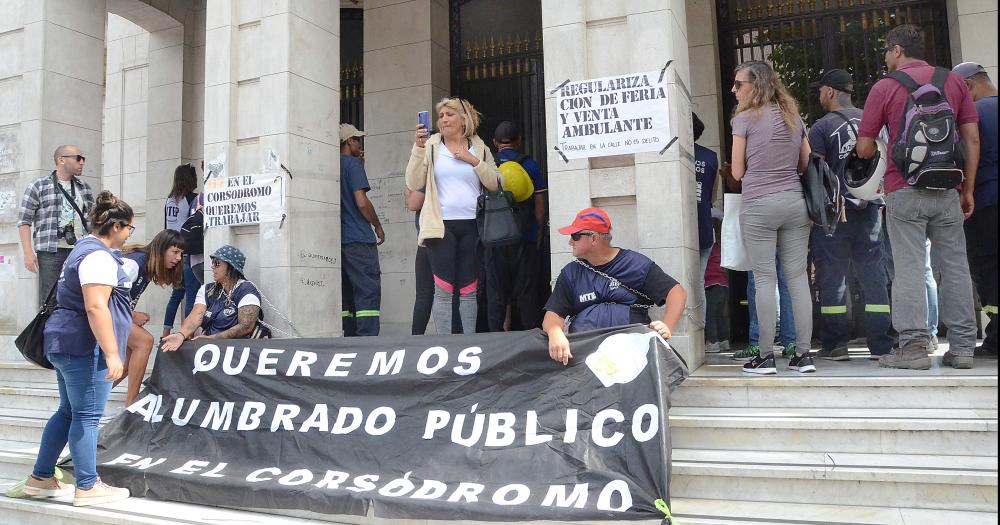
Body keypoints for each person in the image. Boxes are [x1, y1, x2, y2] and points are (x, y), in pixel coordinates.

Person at [857, 24, 980, 370]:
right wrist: (967, 188)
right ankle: (963, 348)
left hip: (904, 189)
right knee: (955, 267)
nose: (885, 57)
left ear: (897, 50)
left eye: (886, 50)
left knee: (909, 267)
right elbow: (971, 138)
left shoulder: (885, 87)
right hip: (948, 189)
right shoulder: (953, 82)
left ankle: (912, 348)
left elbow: (865, 147)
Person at [24, 190, 134, 506]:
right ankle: (87, 485)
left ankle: (41, 478)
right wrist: (113, 353)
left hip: (66, 343)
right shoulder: (98, 256)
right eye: (129, 228)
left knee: (69, 411)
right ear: (116, 227)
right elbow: (96, 308)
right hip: (83, 347)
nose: (128, 235)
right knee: (86, 414)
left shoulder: (81, 250)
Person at [729, 60, 815, 375]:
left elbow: (737, 172)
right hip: (795, 203)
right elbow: (807, 163)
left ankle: (765, 356)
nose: (734, 89)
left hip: (759, 205)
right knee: (797, 278)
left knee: (765, 279)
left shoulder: (744, 119)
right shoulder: (794, 117)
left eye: (739, 84)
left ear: (756, 85)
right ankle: (803, 356)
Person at [807, 68, 894, 361]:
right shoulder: (874, 123)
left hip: (834, 215)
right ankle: (881, 345)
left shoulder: (821, 128)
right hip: (870, 210)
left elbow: (814, 174)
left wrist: (814, 212)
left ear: (830, 92)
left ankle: (835, 345)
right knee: (873, 275)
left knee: (833, 278)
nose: (820, 95)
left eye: (821, 91)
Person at [405, 97, 501, 334]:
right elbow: (413, 181)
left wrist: (473, 161)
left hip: (472, 226)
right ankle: (444, 344)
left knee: (469, 291)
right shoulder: (431, 145)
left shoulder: (479, 146)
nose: (444, 119)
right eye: (441, 116)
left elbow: (496, 183)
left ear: (464, 119)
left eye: (450, 114)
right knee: (444, 290)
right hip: (441, 227)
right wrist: (417, 148)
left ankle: (468, 343)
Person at [542, 208, 686, 365]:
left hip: (631, 357)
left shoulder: (635, 264)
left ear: (594, 239)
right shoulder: (571, 273)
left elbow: (676, 292)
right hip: (586, 358)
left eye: (575, 236)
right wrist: (555, 332)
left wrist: (667, 326)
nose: (570, 242)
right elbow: (553, 315)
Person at [484, 121, 547, 331]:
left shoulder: (489, 166)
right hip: (524, 238)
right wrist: (537, 233)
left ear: (494, 143)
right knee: (527, 293)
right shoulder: (530, 165)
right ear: (519, 140)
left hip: (494, 239)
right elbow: (539, 205)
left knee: (496, 294)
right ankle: (529, 339)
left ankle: (495, 341)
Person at [954, 61, 997, 358]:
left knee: (989, 269)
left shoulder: (975, 115)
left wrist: (965, 191)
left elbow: (968, 153)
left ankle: (996, 337)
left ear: (967, 86)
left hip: (986, 203)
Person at [17, 145, 95, 306]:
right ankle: (48, 331)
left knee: (80, 296)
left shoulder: (84, 188)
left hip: (79, 250)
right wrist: (28, 253)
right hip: (50, 250)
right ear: (61, 160)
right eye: (78, 158)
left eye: (83, 159)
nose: (82, 163)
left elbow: (92, 221)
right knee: (50, 300)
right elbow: (24, 221)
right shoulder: (38, 186)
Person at [118, 230, 185, 406]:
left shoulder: (145, 265)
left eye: (181, 254)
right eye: (175, 252)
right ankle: (131, 405)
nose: (178, 258)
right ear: (162, 248)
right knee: (145, 341)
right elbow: (105, 294)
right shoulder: (135, 263)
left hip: (112, 315)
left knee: (126, 362)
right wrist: (132, 315)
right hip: (98, 315)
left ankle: (94, 395)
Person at [160, 245, 265, 350]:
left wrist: (212, 338)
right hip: (211, 348)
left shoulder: (246, 290)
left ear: (231, 267)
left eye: (217, 263)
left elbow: (246, 326)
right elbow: (195, 317)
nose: (212, 267)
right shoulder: (207, 290)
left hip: (238, 350)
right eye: (213, 263)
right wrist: (181, 335)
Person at [340, 123, 385, 336]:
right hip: (359, 239)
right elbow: (361, 202)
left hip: (340, 241)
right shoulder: (352, 165)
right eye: (357, 139)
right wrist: (377, 225)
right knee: (367, 293)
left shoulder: (333, 165)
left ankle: (349, 340)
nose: (360, 143)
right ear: (349, 141)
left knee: (346, 296)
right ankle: (369, 343)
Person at [162, 163, 201, 338]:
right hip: (187, 250)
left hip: (171, 248)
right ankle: (188, 334)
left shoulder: (169, 200)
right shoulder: (193, 198)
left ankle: (165, 332)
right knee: (191, 293)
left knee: (176, 294)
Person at [694, 113, 719, 335]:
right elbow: (712, 198)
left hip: (685, 229)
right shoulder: (711, 157)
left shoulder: (676, 154)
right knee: (699, 282)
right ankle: (702, 333)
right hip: (704, 228)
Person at [704, 242, 731, 353]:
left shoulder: (707, 248)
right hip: (723, 284)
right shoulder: (718, 248)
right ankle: (724, 341)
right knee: (720, 315)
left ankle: (712, 342)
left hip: (711, 284)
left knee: (710, 314)